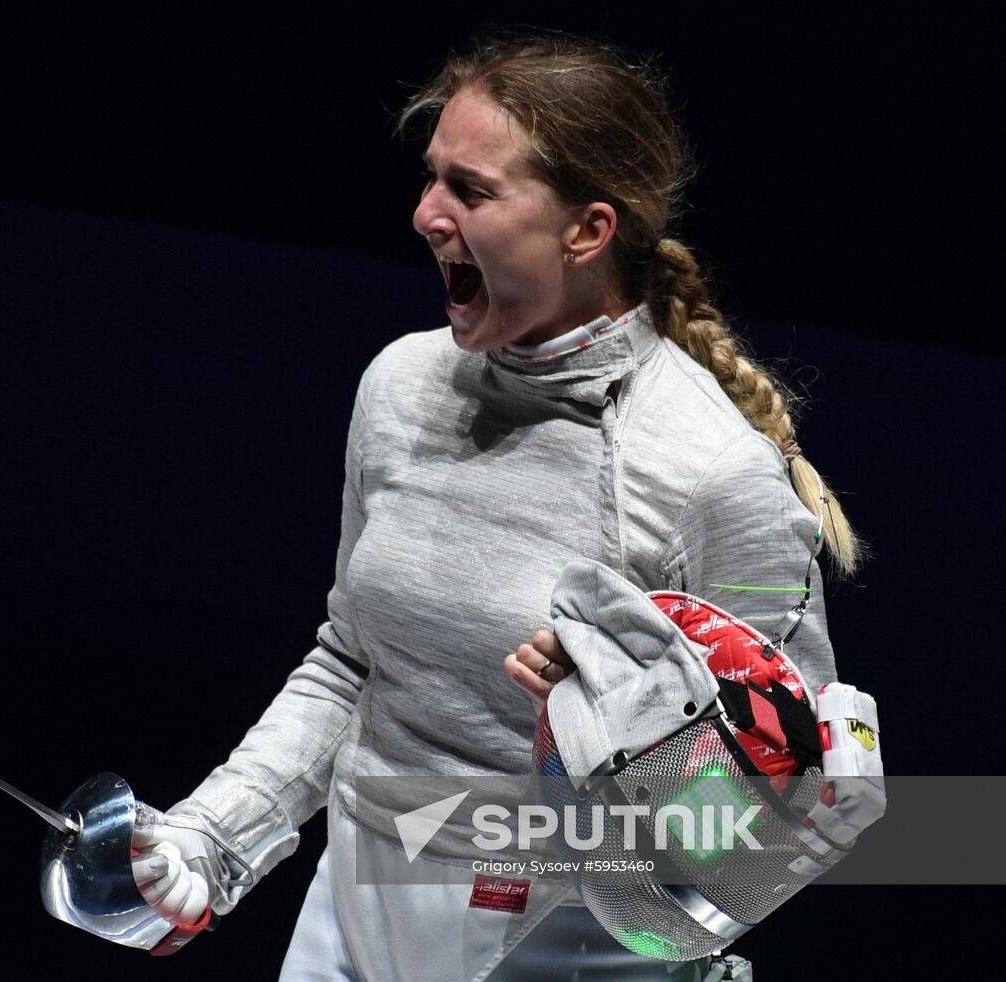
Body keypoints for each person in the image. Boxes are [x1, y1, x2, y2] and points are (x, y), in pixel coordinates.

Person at [128, 32, 862, 981]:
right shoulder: (401, 388)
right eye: (433, 178)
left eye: (470, 192)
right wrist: (215, 836)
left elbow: (786, 821)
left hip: (563, 952)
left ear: (586, 232)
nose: (426, 214)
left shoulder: (714, 473)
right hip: (347, 926)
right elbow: (353, 660)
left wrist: (641, 734)